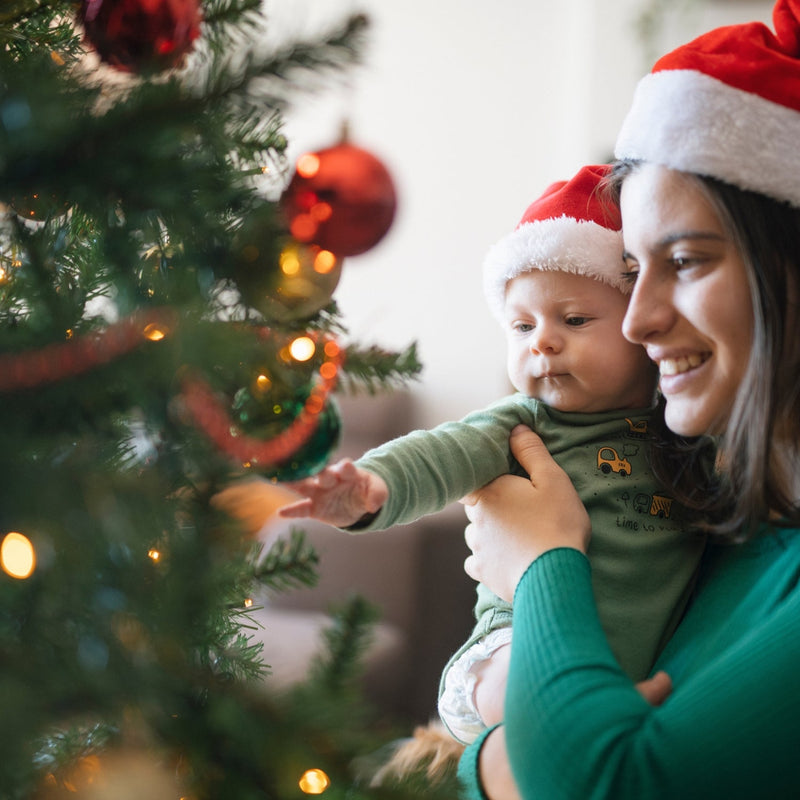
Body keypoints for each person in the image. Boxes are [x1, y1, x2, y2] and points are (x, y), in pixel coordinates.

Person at [456, 1, 800, 797]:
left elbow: (592, 782)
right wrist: (498, 738)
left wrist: (544, 561)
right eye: (634, 272)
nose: (640, 322)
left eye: (685, 260)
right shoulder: (704, 510)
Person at [280, 164, 705, 745]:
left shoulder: (682, 431)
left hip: (644, 665)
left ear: (640, 327)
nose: (543, 342)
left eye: (574, 320)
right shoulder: (520, 424)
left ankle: (583, 723)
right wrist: (372, 487)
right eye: (522, 326)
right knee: (512, 677)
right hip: (516, 643)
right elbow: (437, 455)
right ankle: (559, 716)